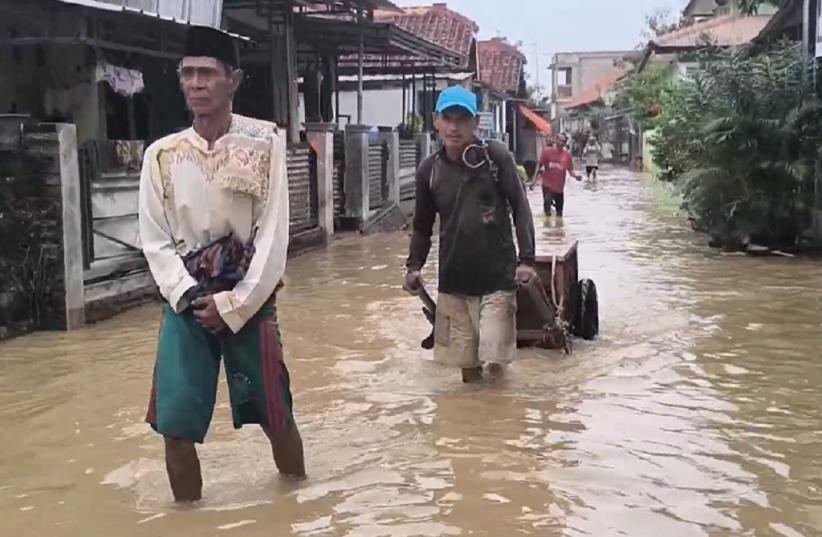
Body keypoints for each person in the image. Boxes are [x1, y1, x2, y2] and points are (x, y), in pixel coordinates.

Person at [138, 25, 305, 502]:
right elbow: (155, 240)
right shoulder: (161, 156)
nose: (196, 84)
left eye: (207, 73)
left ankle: (295, 502)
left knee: (275, 417)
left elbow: (273, 237)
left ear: (232, 80)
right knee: (174, 428)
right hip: (185, 300)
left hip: (247, 296)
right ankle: (187, 519)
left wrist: (237, 304)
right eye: (188, 74)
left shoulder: (265, 143)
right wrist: (188, 296)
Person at [403, 86, 537, 384]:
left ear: (476, 122)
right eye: (447, 118)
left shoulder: (495, 157)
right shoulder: (430, 171)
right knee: (467, 370)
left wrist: (526, 260)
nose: (454, 127)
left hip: (498, 280)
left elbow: (520, 206)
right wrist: (414, 267)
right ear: (436, 121)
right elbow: (423, 226)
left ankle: (498, 423)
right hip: (454, 282)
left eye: (462, 119)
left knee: (495, 360)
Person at [535, 133, 581, 217]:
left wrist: (576, 176)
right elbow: (539, 165)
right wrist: (533, 180)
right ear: (556, 140)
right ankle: (547, 226)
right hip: (547, 185)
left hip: (559, 188)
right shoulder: (547, 152)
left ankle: (558, 229)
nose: (561, 143)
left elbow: (570, 171)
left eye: (563, 141)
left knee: (559, 214)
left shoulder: (567, 156)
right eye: (560, 140)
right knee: (547, 204)